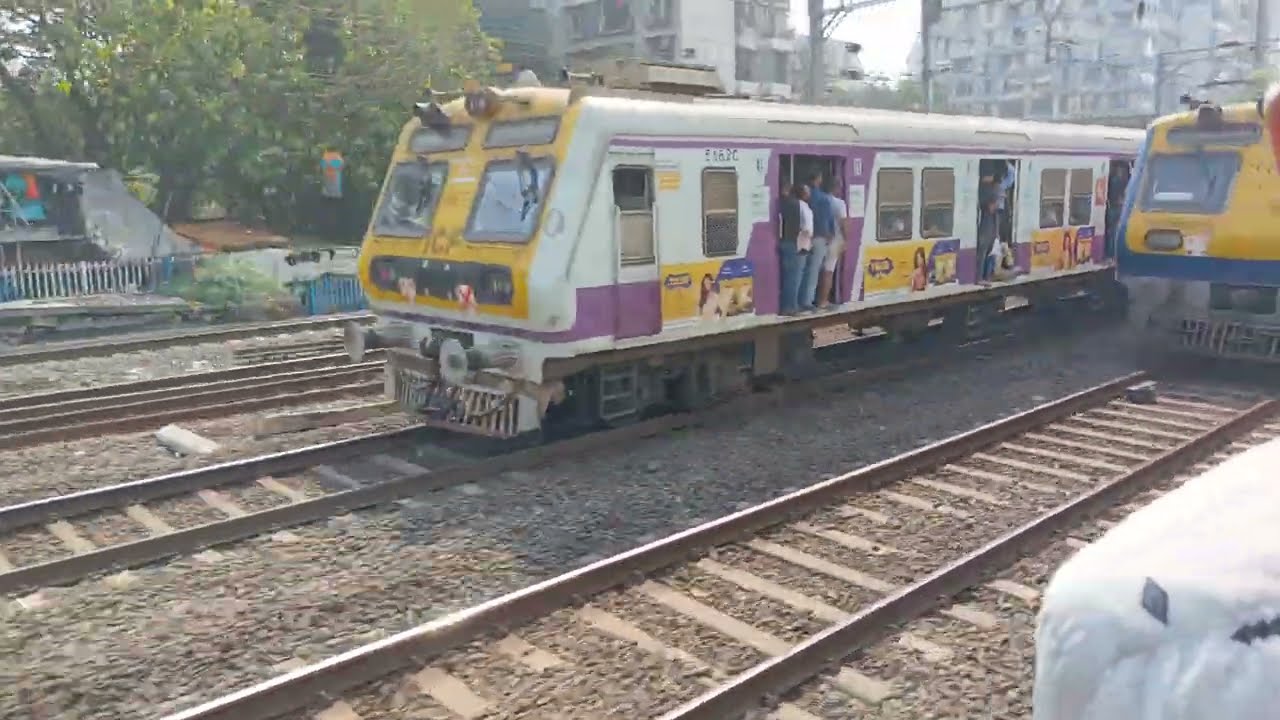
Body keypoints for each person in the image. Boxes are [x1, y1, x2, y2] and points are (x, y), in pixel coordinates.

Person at [800, 172, 834, 311]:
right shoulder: (824, 198)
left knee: (803, 270)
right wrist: (829, 235)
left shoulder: (804, 197)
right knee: (814, 271)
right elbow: (827, 220)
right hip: (819, 237)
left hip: (803, 237)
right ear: (818, 179)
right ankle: (809, 300)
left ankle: (802, 298)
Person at [816, 176, 848, 308]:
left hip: (818, 238)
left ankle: (812, 298)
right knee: (828, 271)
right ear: (836, 188)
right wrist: (846, 239)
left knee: (816, 270)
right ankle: (823, 301)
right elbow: (843, 223)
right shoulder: (839, 203)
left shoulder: (818, 200)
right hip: (834, 240)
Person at [777, 181, 803, 315]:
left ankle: (785, 305)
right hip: (792, 243)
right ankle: (790, 307)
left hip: (782, 242)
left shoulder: (779, 203)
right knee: (793, 277)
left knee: (786, 276)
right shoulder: (794, 204)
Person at [977, 175, 999, 281]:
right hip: (985, 230)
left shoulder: (988, 191)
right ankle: (980, 277)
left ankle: (987, 276)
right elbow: (990, 208)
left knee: (990, 253)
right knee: (983, 253)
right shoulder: (986, 193)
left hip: (990, 230)